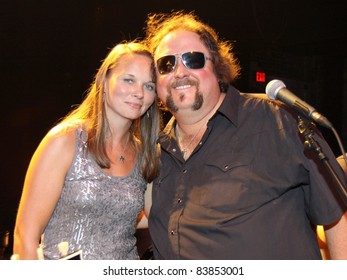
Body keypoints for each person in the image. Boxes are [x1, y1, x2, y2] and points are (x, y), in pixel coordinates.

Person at [144, 11, 347, 259]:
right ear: (156, 81)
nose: (179, 72)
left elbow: (338, 217)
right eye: (166, 64)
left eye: (192, 59)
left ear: (217, 66)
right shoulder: (154, 156)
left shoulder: (279, 121)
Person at [13, 41, 160, 260]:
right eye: (129, 80)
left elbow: (158, 218)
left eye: (149, 86)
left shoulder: (146, 155)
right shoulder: (65, 141)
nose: (139, 92)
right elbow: (25, 236)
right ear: (104, 81)